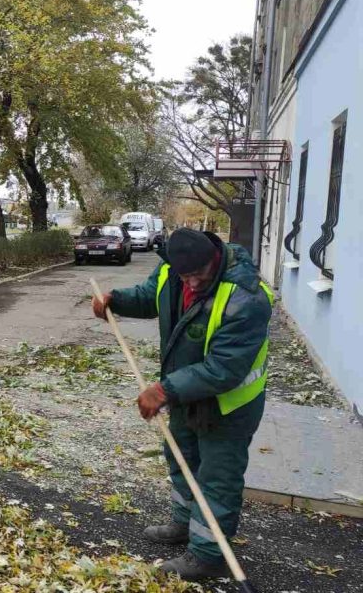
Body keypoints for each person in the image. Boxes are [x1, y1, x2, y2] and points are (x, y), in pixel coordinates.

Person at [91, 228, 274, 582]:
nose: (192, 282)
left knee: (217, 477)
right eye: (185, 275)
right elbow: (150, 297)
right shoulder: (171, 271)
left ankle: (208, 555)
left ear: (214, 258)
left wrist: (163, 390)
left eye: (200, 274)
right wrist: (115, 300)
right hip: (186, 394)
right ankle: (183, 522)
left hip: (229, 404)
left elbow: (225, 368)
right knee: (182, 458)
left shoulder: (246, 298)